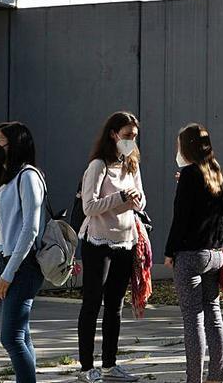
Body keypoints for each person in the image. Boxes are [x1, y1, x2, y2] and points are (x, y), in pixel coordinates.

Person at [77, 111, 146, 383]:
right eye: (127, 135)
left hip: (126, 239)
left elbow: (142, 201)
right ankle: (86, 367)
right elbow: (88, 206)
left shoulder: (132, 164)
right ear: (113, 134)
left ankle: (110, 363)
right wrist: (119, 198)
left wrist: (136, 201)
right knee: (92, 303)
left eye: (135, 137)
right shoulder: (97, 165)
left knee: (115, 305)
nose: (131, 141)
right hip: (98, 240)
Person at [164, 124, 223, 383]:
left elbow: (180, 218)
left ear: (187, 147)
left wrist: (170, 251)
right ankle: (217, 377)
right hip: (215, 254)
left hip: (191, 254)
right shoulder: (216, 172)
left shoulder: (189, 175)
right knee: (214, 316)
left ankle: (194, 378)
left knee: (193, 320)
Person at [0, 122, 47, 383]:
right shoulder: (7, 179)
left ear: (15, 145)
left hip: (23, 264)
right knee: (22, 335)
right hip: (8, 260)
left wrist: (8, 274)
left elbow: (30, 230)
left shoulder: (28, 176)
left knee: (10, 337)